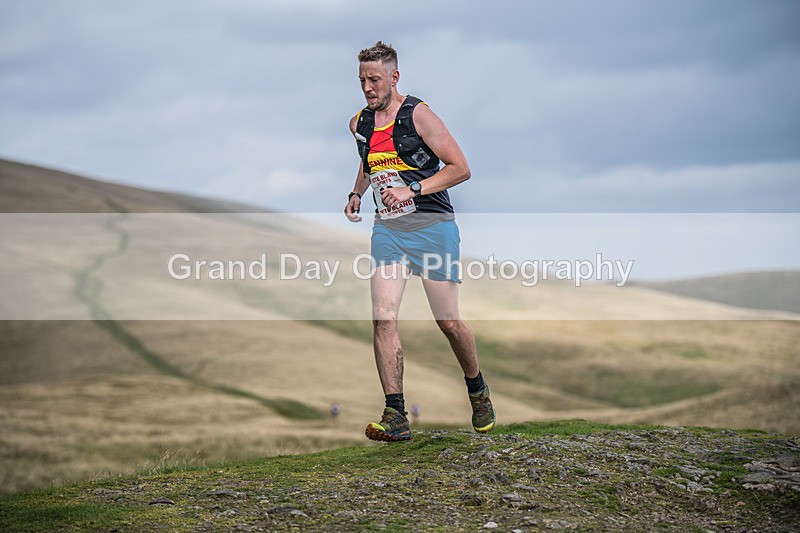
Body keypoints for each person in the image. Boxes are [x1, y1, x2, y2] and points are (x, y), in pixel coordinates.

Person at [343, 41, 495, 442]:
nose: (367, 88)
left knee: (447, 321)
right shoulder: (358, 122)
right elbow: (369, 160)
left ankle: (477, 389)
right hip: (389, 231)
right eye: (362, 80)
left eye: (374, 80)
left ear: (394, 77)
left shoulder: (419, 115)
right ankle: (396, 414)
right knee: (383, 316)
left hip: (433, 225)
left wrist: (414, 188)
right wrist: (357, 193)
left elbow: (461, 168)